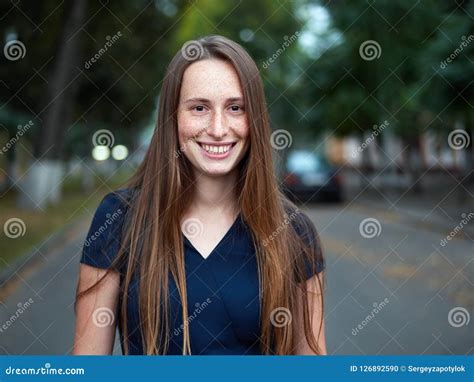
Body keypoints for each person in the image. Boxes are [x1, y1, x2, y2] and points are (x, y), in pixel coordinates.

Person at [73, 35, 326, 355]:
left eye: (235, 108)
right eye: (199, 108)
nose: (218, 129)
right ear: (173, 117)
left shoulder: (294, 231)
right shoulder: (119, 220)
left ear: (255, 119)